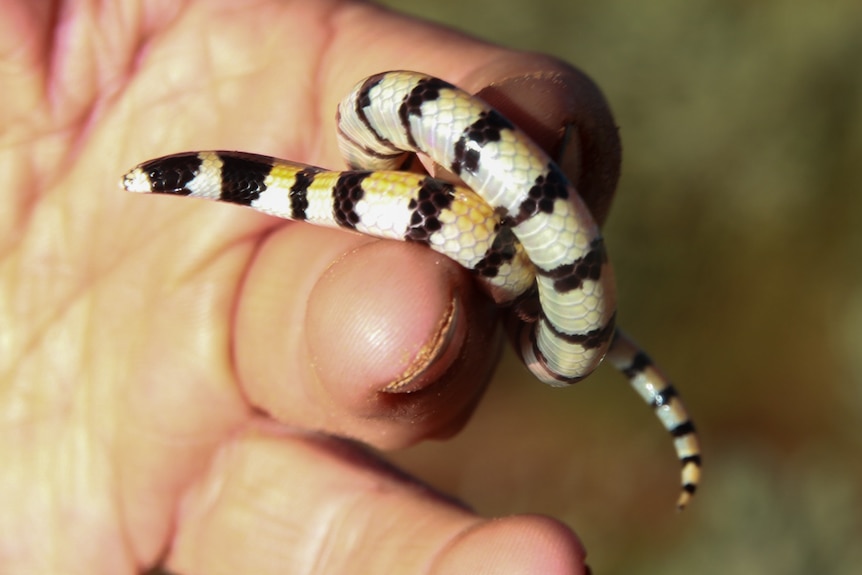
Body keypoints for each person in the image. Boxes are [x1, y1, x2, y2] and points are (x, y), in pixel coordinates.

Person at [0, 1, 620, 573]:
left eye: (170, 178)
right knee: (398, 310)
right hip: (526, 283)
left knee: (397, 305)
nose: (152, 183)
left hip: (427, 168)